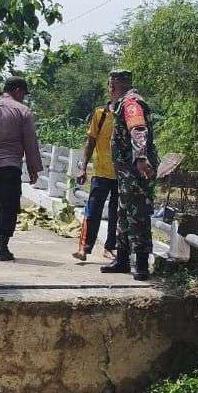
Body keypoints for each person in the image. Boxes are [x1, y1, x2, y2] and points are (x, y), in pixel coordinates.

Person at [0, 75, 41, 261]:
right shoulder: (23, 111)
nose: (24, 98)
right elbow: (30, 142)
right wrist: (33, 168)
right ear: (18, 91)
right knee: (8, 206)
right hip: (11, 166)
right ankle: (2, 247)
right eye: (23, 94)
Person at [101, 70, 158, 281]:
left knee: (138, 216)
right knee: (124, 215)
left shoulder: (130, 103)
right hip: (127, 173)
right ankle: (122, 260)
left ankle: (141, 265)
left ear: (113, 86)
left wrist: (141, 158)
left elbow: (138, 129)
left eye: (109, 86)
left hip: (135, 174)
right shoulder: (124, 103)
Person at [72, 95, 119, 263]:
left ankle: (110, 247)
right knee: (92, 210)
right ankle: (84, 248)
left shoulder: (127, 115)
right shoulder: (101, 114)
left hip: (122, 174)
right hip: (101, 171)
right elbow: (90, 142)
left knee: (117, 212)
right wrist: (83, 168)